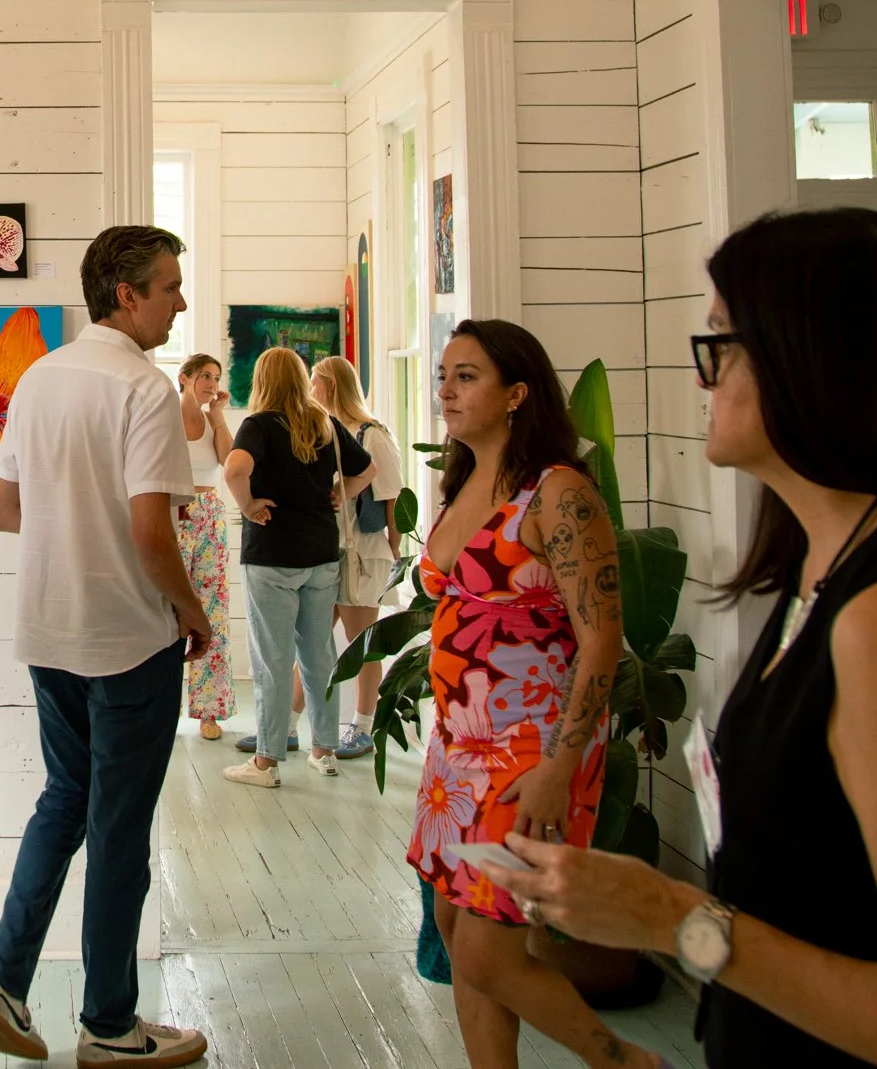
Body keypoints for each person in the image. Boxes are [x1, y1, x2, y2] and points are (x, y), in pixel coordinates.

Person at [472, 209, 877, 1068]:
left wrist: (674, 919)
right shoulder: (868, 583)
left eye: (723, 343)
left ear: (813, 361)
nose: (706, 377)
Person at [0, 225, 211, 1068]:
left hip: (48, 631)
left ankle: (2, 980)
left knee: (63, 800)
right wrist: (194, 610)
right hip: (129, 639)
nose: (180, 301)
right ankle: (109, 1024)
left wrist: (72, 528)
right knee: (116, 828)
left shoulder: (38, 378)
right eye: (170, 286)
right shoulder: (143, 389)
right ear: (127, 295)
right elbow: (150, 530)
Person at [410, 319, 637, 1069]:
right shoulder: (464, 479)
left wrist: (561, 766)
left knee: (489, 949)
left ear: (516, 394)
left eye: (466, 375)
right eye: (444, 373)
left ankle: (621, 1060)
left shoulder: (558, 492)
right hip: (458, 748)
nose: (447, 388)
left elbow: (602, 639)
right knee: (454, 927)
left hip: (533, 747)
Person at [221, 345, 378, 788]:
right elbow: (367, 469)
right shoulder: (322, 422)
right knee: (318, 656)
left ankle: (266, 763)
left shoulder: (259, 425)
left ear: (262, 380)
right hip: (320, 554)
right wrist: (340, 494)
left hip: (273, 555)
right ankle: (324, 751)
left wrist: (248, 505)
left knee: (273, 660)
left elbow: (235, 469)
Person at [311, 355, 406, 760]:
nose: (311, 388)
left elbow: (393, 496)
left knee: (360, 643)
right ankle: (289, 722)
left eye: (315, 381)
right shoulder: (325, 430)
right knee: (311, 639)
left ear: (331, 385)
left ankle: (363, 726)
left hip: (364, 553)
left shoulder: (372, 435)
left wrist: (395, 546)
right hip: (328, 550)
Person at [176, 352, 238, 740]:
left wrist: (217, 417)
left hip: (211, 515)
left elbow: (228, 461)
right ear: (184, 378)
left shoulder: (212, 419)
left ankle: (210, 711)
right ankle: (162, 706)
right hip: (174, 513)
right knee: (166, 610)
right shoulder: (164, 413)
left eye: (215, 377)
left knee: (212, 609)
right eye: (204, 376)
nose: (211, 383)